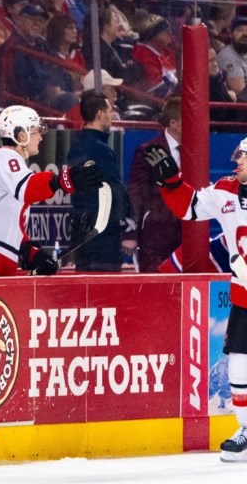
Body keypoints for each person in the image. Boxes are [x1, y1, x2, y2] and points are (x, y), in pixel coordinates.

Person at [145, 137, 247, 461]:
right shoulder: (226, 190)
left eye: (243, 157)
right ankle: (245, 429)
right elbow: (188, 207)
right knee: (239, 366)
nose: (237, 163)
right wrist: (170, 180)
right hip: (244, 297)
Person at [0, 105, 103, 277]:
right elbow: (27, 189)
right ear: (21, 135)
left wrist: (33, 254)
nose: (41, 138)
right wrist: (65, 180)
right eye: (36, 132)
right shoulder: (3, 156)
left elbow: (8, 225)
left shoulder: (11, 165)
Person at [65, 92, 133, 272]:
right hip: (102, 235)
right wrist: (127, 224)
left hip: (83, 230)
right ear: (100, 114)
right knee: (103, 289)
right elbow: (114, 188)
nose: (111, 116)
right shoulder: (99, 149)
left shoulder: (77, 145)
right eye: (109, 111)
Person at [126, 97, 182, 272]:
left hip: (186, 237)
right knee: (156, 287)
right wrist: (130, 233)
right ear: (174, 123)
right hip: (155, 235)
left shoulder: (196, 151)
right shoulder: (148, 150)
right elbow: (135, 193)